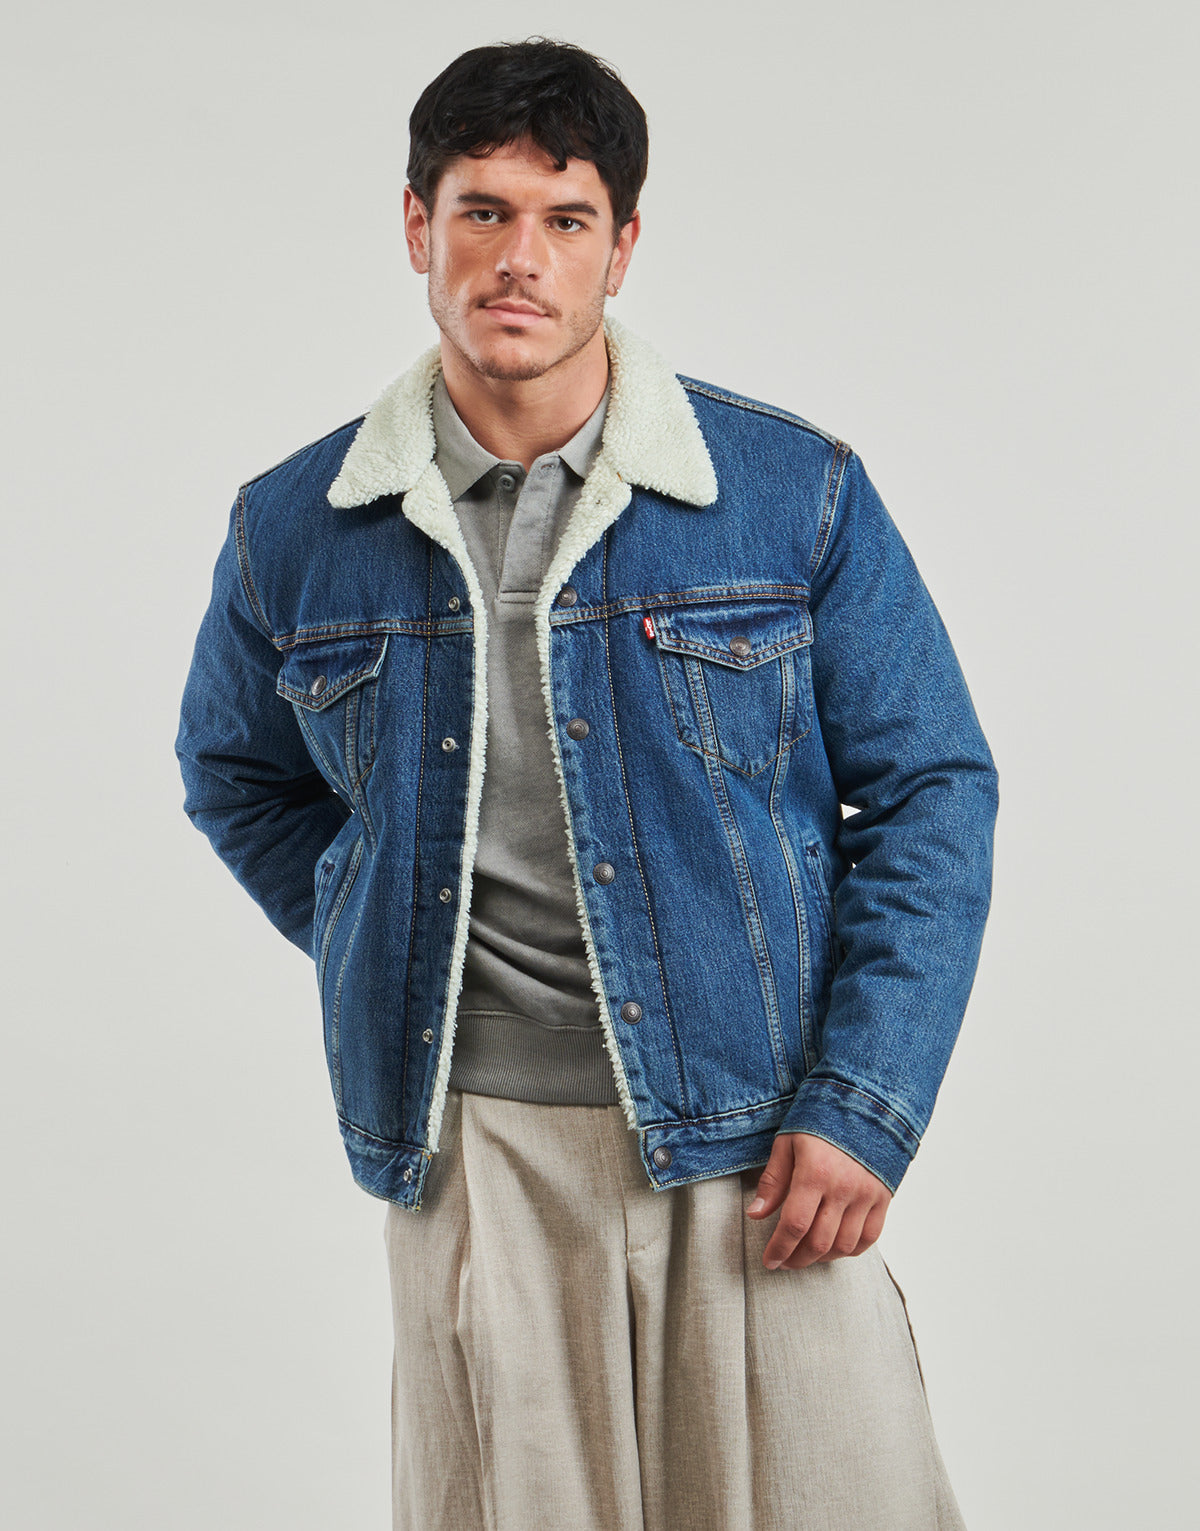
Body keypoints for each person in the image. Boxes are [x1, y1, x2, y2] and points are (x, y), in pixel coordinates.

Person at [175, 36, 998, 1531]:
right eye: (482, 212)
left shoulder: (788, 491)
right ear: (418, 227)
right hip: (474, 1150)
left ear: (621, 248)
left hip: (761, 1135)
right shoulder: (293, 530)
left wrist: (864, 1101)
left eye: (565, 220)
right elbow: (234, 774)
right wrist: (390, 936)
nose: (519, 259)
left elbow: (933, 787)